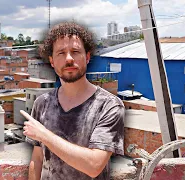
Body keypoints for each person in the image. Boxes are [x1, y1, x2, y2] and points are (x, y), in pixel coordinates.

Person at [20, 22, 125, 180]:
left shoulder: (108, 105)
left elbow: (94, 165)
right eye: (61, 53)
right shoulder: (42, 103)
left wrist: (44, 135)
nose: (69, 59)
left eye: (75, 52)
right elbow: (38, 158)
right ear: (52, 61)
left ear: (87, 57)